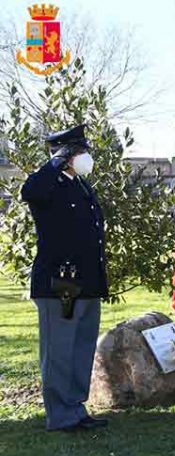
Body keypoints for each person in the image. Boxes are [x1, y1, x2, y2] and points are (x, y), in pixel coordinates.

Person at [21, 124, 109, 431]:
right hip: (61, 283)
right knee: (60, 349)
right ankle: (59, 415)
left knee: (81, 347)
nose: (86, 157)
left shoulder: (80, 185)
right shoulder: (48, 184)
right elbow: (28, 191)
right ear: (65, 154)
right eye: (80, 152)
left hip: (85, 281)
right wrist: (55, 162)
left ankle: (75, 408)